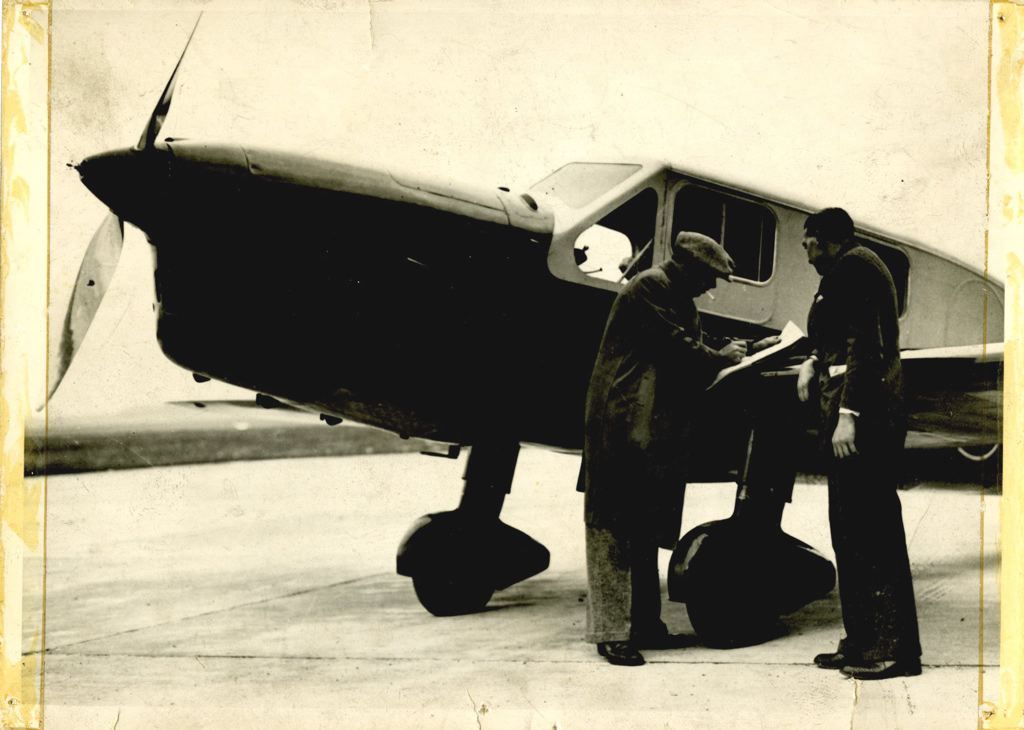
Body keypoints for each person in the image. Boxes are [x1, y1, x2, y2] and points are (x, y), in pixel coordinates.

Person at [581, 231, 748, 667]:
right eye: (710, 277)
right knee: (613, 529)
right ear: (689, 267)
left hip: (647, 432)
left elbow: (692, 342)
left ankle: (644, 627)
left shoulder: (677, 298)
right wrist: (721, 357)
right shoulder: (650, 286)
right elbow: (675, 347)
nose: (711, 287)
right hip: (621, 427)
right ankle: (611, 634)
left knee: (640, 529)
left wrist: (742, 350)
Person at [796, 207, 922, 680]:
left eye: (807, 244)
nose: (805, 254)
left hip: (865, 423)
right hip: (849, 419)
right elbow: (833, 335)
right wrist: (812, 359)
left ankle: (895, 651)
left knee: (872, 533)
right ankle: (862, 642)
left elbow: (866, 345)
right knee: (849, 532)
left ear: (824, 240)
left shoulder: (856, 266)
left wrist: (849, 415)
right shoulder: (842, 271)